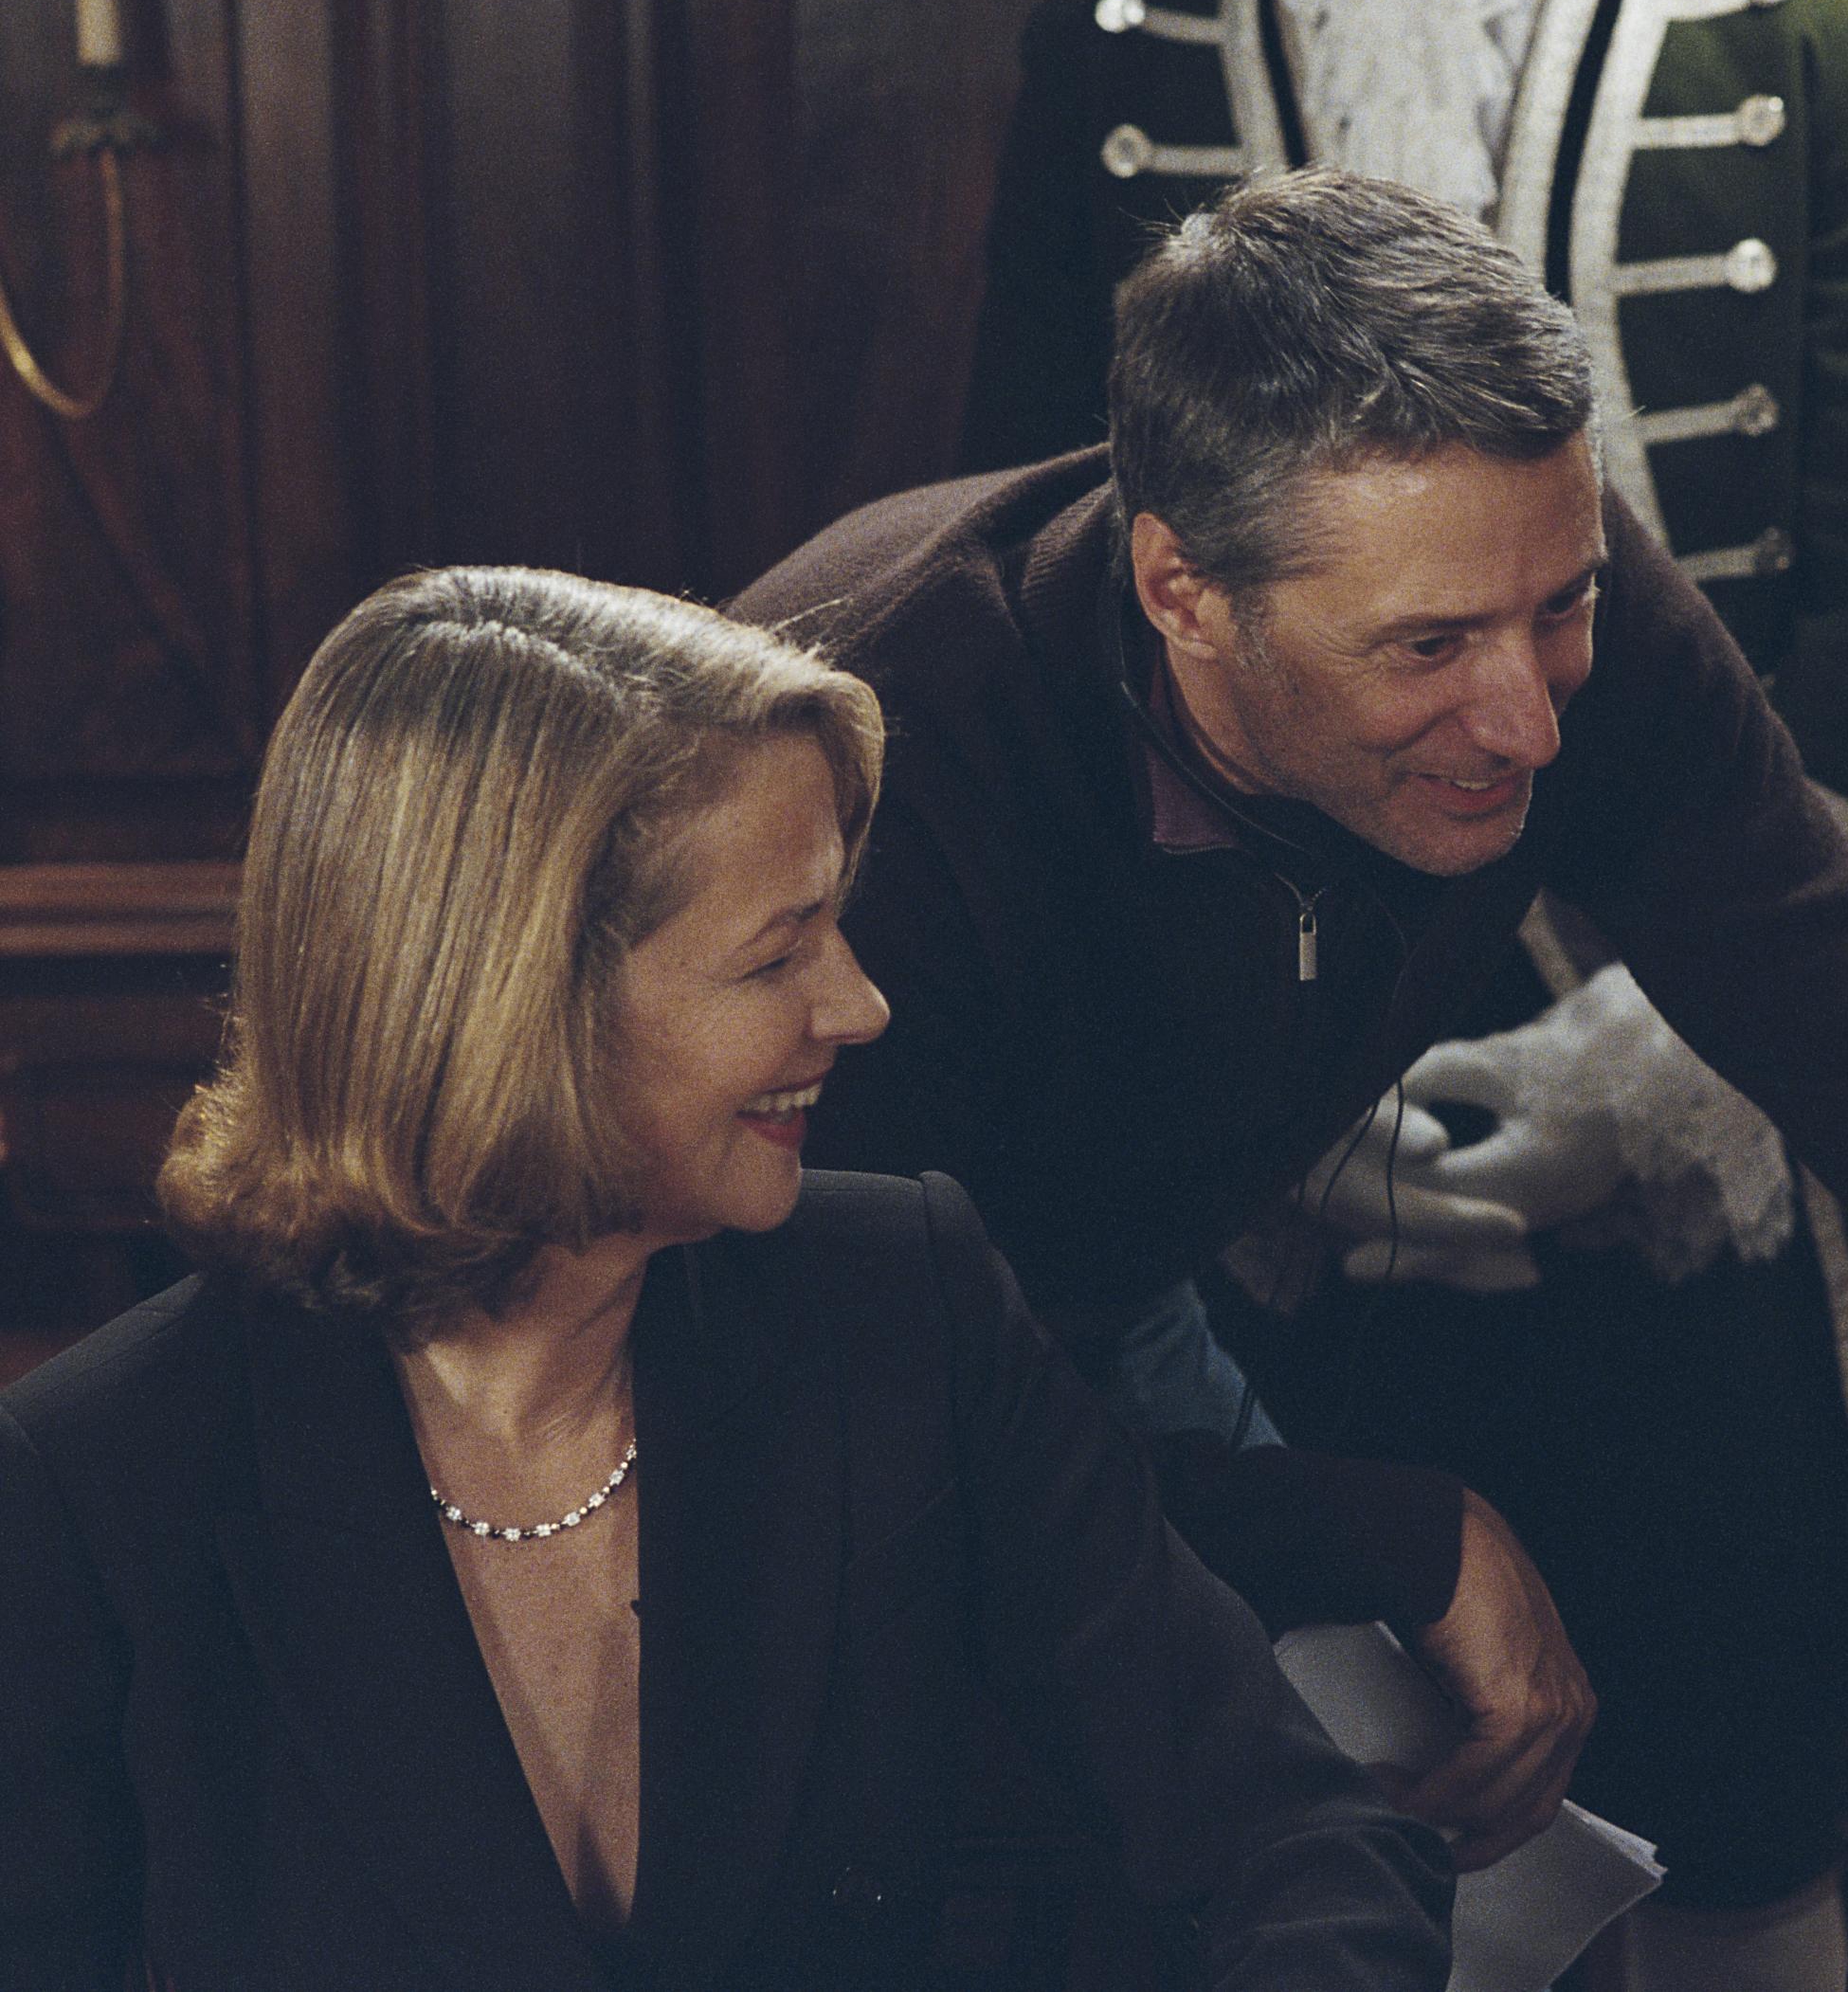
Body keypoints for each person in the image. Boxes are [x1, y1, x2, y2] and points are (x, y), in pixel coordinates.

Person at [730, 165, 1848, 1878]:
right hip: (758, 1402)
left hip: (1092, 1298)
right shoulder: (880, 764)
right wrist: (1386, 1535)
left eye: (1563, 608)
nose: (1528, 722)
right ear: (1182, 591)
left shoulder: (1521, 587)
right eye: (1425, 651)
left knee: (1371, 1879)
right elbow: (847, 1414)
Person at [957, 0, 1848, 1971]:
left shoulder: (1795, 19)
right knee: (1321, 1821)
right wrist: (1259, 1072)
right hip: (1261, 1191)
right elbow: (1064, 580)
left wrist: (1660, 1058)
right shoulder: (1112, 43)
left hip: (1698, 1086)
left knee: (1735, 1773)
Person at [0, 569, 1451, 1989]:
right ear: (516, 1010)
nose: (858, 1005)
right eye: (775, 956)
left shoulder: (901, 1302)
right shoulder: (95, 1482)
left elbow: (1298, 1840)